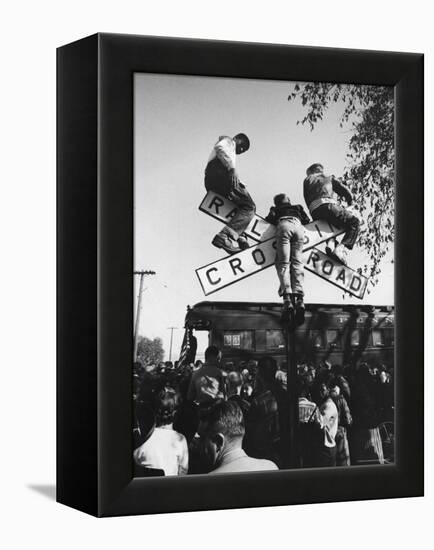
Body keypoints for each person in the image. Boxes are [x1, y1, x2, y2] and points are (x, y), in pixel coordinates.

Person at [205, 133, 256, 254]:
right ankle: (224, 236)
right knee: (249, 207)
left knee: (237, 208)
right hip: (220, 174)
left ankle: (240, 236)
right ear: (237, 139)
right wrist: (231, 169)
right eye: (242, 146)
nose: (241, 150)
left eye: (244, 151)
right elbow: (220, 148)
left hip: (212, 180)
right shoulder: (228, 141)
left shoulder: (231, 150)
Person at [198, 400, 278, 474]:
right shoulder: (271, 468)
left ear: (219, 442)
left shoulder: (208, 482)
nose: (197, 444)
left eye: (202, 438)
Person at [265, 193, 310, 323]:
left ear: (276, 203)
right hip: (299, 228)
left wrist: (272, 211)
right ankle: (300, 300)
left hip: (284, 225)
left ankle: (287, 300)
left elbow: (269, 220)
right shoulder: (298, 207)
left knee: (283, 263)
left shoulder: (275, 209)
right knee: (297, 263)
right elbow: (307, 221)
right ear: (288, 200)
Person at [303, 163, 360, 265]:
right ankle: (341, 249)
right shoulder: (328, 177)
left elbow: (306, 197)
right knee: (354, 222)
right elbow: (344, 190)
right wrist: (351, 202)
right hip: (328, 205)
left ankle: (331, 243)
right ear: (320, 170)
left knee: (328, 225)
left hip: (314, 210)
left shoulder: (307, 180)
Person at [133, 388, 189, 476]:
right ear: (177, 413)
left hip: (144, 487)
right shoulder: (180, 440)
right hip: (169, 487)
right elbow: (183, 472)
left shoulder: (144, 437)